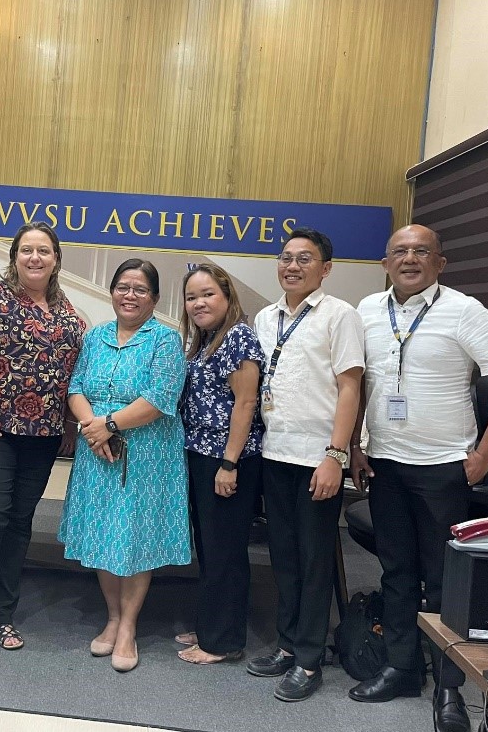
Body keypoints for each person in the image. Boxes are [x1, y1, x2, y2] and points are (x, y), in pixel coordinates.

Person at [349, 224, 488, 732]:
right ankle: (401, 667)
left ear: (440, 263)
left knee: (444, 581)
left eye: (421, 251)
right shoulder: (365, 311)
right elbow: (360, 383)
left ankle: (450, 686)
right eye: (400, 251)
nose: (410, 259)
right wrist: (359, 445)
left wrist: (485, 456)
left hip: (445, 469)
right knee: (396, 572)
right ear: (385, 263)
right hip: (385, 463)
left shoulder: (464, 310)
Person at [0, 221, 85, 665]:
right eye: (26, 250)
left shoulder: (69, 312)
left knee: (20, 521)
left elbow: (74, 374)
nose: (34, 257)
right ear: (14, 257)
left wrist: (70, 422)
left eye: (43, 251)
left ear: (56, 259)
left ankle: (3, 612)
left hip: (44, 436)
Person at [247, 227, 365, 702]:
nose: (292, 266)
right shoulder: (264, 316)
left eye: (304, 259)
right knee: (285, 557)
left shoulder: (340, 316)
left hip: (318, 459)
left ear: (326, 268)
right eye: (286, 257)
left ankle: (311, 659)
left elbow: (351, 388)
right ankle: (288, 644)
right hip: (274, 454)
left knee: (316, 560)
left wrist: (336, 455)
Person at [59, 259, 190, 673]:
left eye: (140, 289)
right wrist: (92, 427)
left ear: (153, 298)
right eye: (122, 286)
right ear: (112, 292)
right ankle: (112, 617)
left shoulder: (165, 340)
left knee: (133, 536)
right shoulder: (95, 336)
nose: (129, 295)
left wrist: (110, 424)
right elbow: (76, 386)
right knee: (102, 533)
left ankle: (129, 626)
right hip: (97, 450)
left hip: (146, 456)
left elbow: (158, 399)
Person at [174, 263, 265, 665]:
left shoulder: (239, 338)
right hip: (200, 455)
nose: (199, 303)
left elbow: (246, 403)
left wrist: (228, 464)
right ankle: (212, 623)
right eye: (192, 297)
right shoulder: (205, 340)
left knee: (225, 551)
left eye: (208, 294)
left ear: (227, 296)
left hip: (228, 461)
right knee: (210, 549)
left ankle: (222, 642)